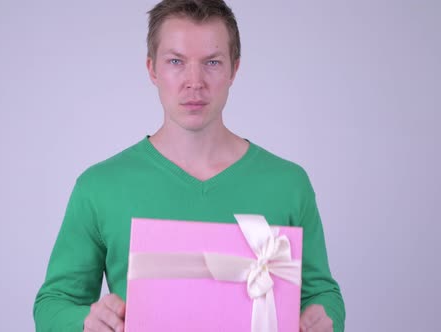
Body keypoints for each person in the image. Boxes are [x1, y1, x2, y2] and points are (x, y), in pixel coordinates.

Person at [33, 0, 345, 331]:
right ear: (152, 69)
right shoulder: (99, 187)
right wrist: (85, 322)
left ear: (234, 69)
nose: (194, 81)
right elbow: (52, 304)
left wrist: (324, 319)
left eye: (212, 62)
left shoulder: (288, 184)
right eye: (176, 62)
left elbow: (323, 293)